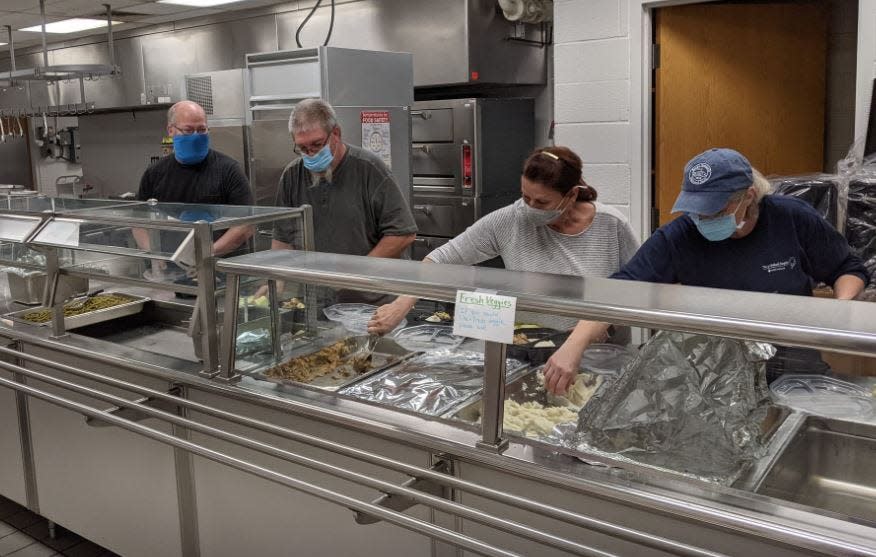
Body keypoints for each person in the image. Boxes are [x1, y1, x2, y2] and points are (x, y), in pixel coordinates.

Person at [543, 148, 869, 395]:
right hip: (718, 371)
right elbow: (621, 290)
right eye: (696, 210)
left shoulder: (791, 218)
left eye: (715, 211)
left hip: (793, 363)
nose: (703, 220)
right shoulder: (680, 236)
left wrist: (837, 313)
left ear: (749, 196)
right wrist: (573, 347)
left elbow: (847, 270)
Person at [368, 146, 640, 340]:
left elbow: (636, 289)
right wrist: (403, 303)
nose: (530, 207)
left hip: (598, 350)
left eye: (542, 202)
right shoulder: (510, 220)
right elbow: (440, 259)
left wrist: (605, 328)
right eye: (525, 197)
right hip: (530, 344)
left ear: (570, 195)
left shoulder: (611, 225)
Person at [271, 99, 417, 303]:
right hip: (318, 305)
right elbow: (282, 240)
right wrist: (276, 283)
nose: (310, 155)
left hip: (373, 302)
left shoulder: (369, 169)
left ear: (336, 134)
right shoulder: (291, 176)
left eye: (317, 145)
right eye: (302, 148)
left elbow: (403, 234)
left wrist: (355, 275)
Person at [136, 100, 253, 256]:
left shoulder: (229, 170)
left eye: (202, 130)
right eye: (188, 130)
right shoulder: (154, 174)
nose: (196, 136)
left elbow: (246, 224)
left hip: (217, 269)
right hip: (169, 271)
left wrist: (207, 253)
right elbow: (138, 222)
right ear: (171, 131)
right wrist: (154, 254)